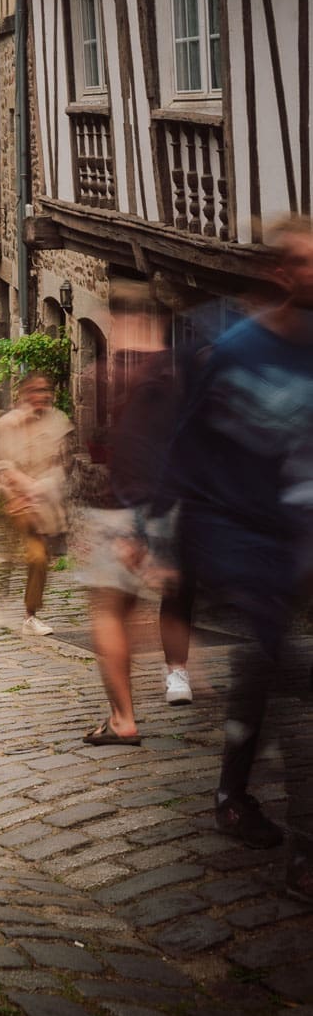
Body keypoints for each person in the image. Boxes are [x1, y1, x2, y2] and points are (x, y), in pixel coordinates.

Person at [170, 217, 313, 898]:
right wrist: (168, 535)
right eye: (307, 264)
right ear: (281, 273)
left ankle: (232, 791)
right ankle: (298, 848)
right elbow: (187, 445)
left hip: (297, 534)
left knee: (262, 670)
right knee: (292, 673)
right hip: (236, 535)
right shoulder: (233, 350)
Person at [75, 289, 182, 746]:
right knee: (139, 610)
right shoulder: (181, 372)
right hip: (174, 507)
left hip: (123, 507)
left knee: (109, 612)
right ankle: (176, 674)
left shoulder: (110, 375)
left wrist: (133, 526)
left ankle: (122, 718)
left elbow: (107, 449)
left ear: (121, 319)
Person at [0, 373, 73, 637]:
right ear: (23, 393)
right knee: (10, 555)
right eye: (36, 390)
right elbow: (2, 466)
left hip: (44, 502)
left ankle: (30, 614)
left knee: (39, 558)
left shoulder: (58, 421)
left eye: (46, 390)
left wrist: (45, 486)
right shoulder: (6, 426)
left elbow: (62, 462)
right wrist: (22, 490)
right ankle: (1, 599)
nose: (42, 395)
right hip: (13, 500)